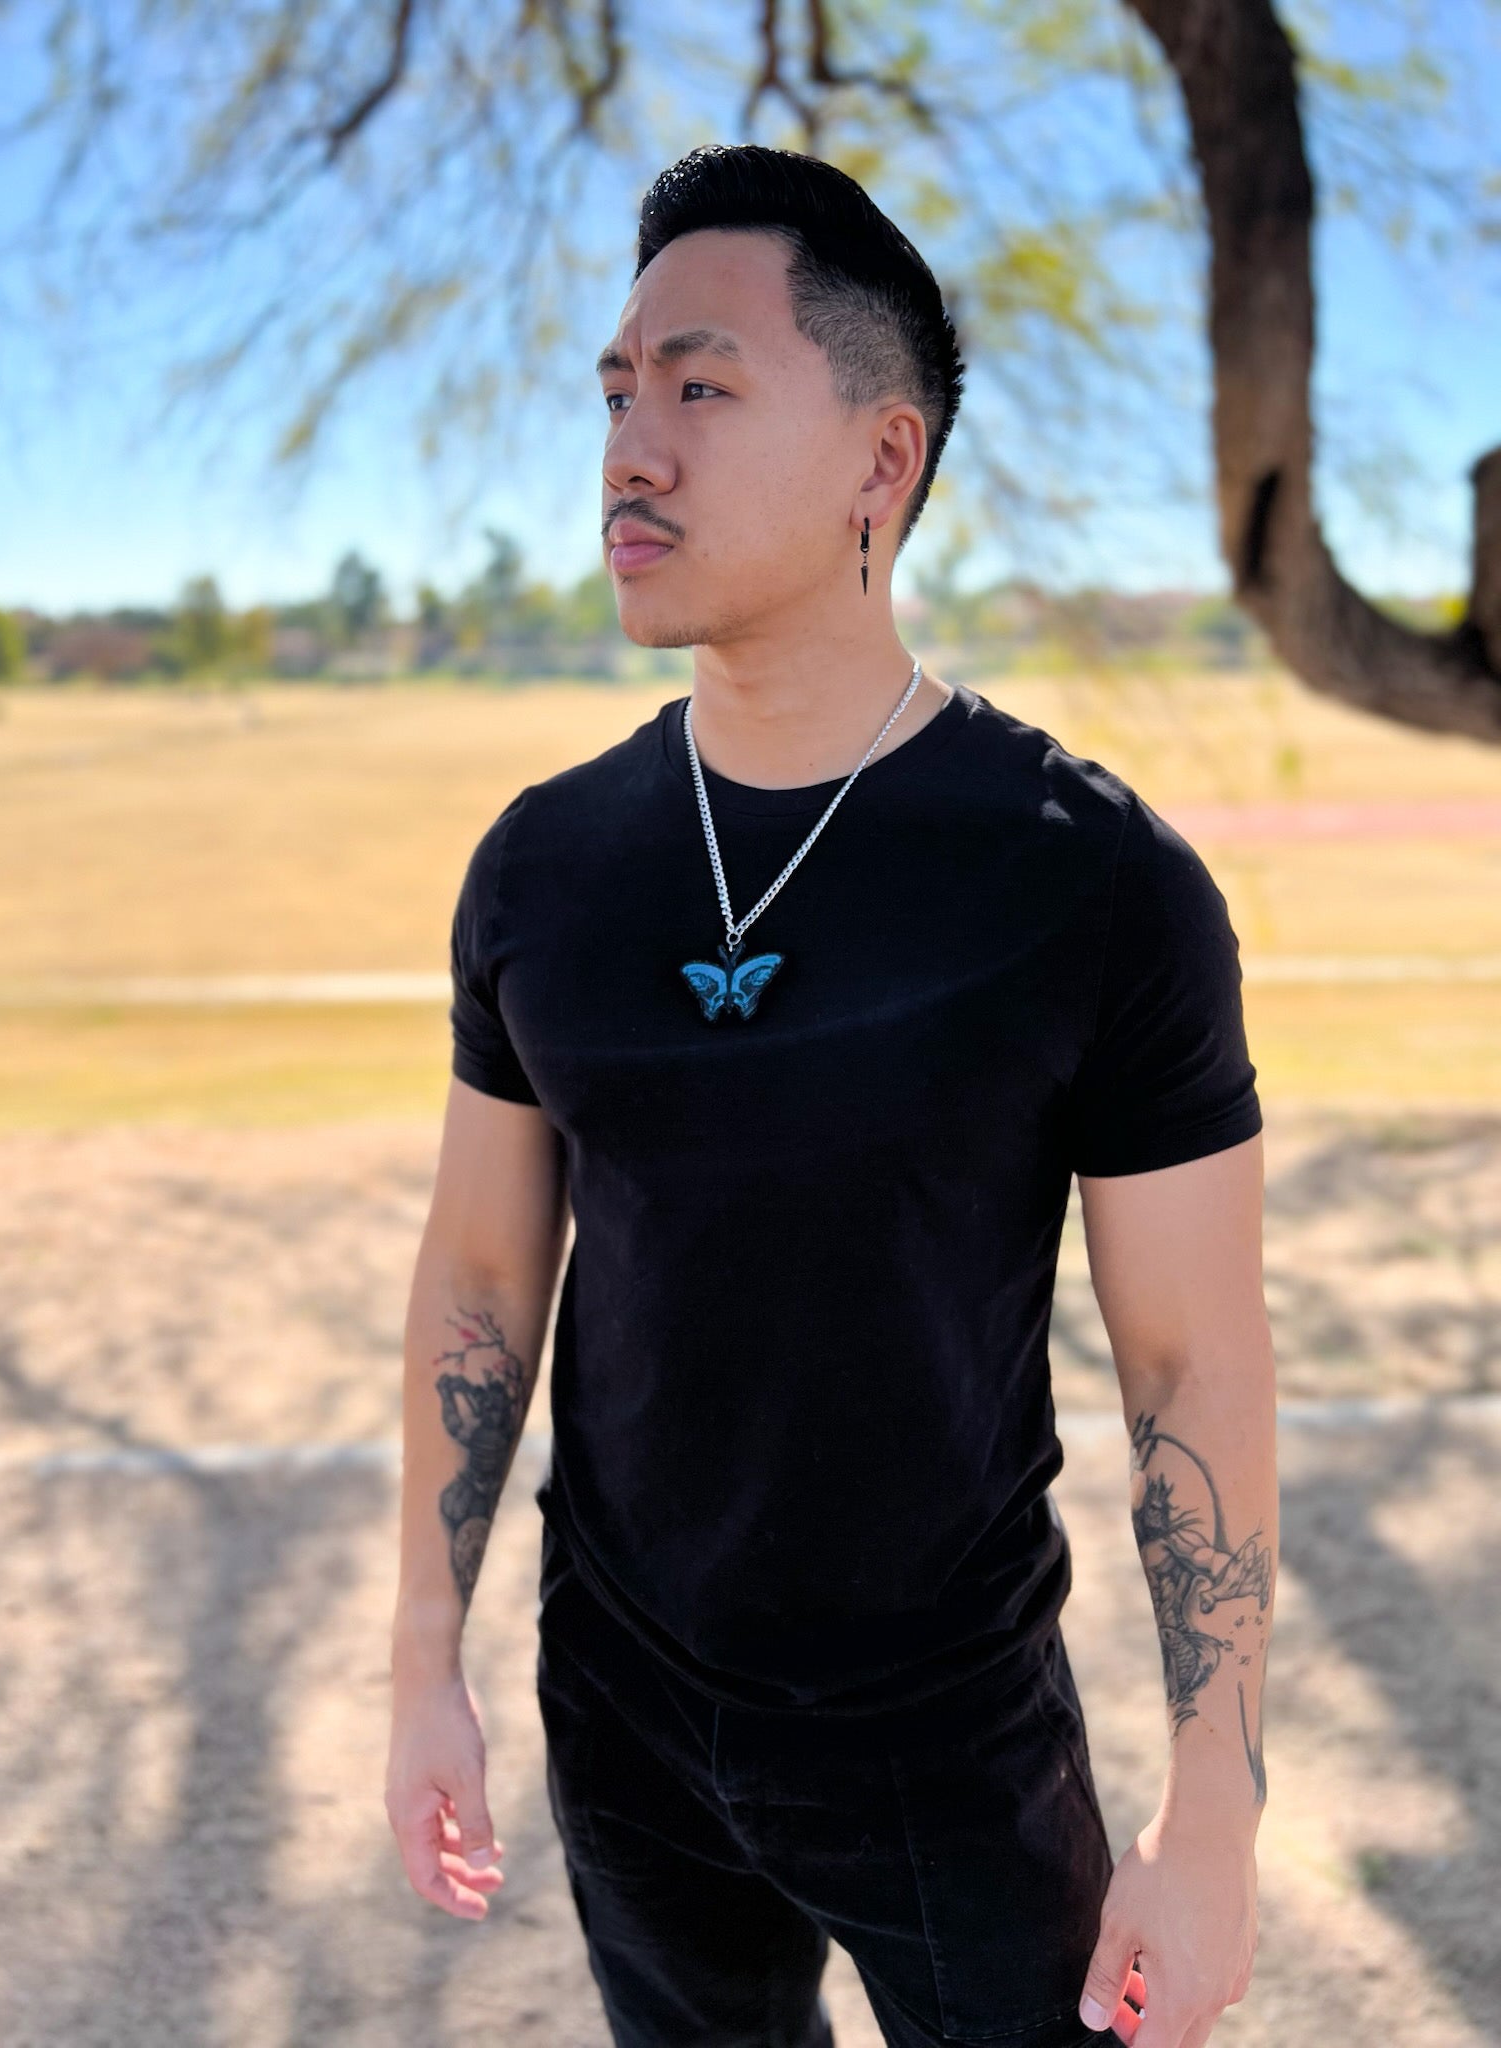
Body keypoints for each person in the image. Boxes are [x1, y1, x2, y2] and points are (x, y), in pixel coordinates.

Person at [384, 142, 1277, 2048]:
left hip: (949, 1740)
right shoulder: (545, 869)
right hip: (619, 1717)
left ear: (883, 460)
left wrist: (1213, 1811)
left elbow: (1193, 1359)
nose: (631, 450)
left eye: (700, 387)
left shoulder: (1090, 882)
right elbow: (481, 1276)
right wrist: (420, 1667)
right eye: (616, 393)